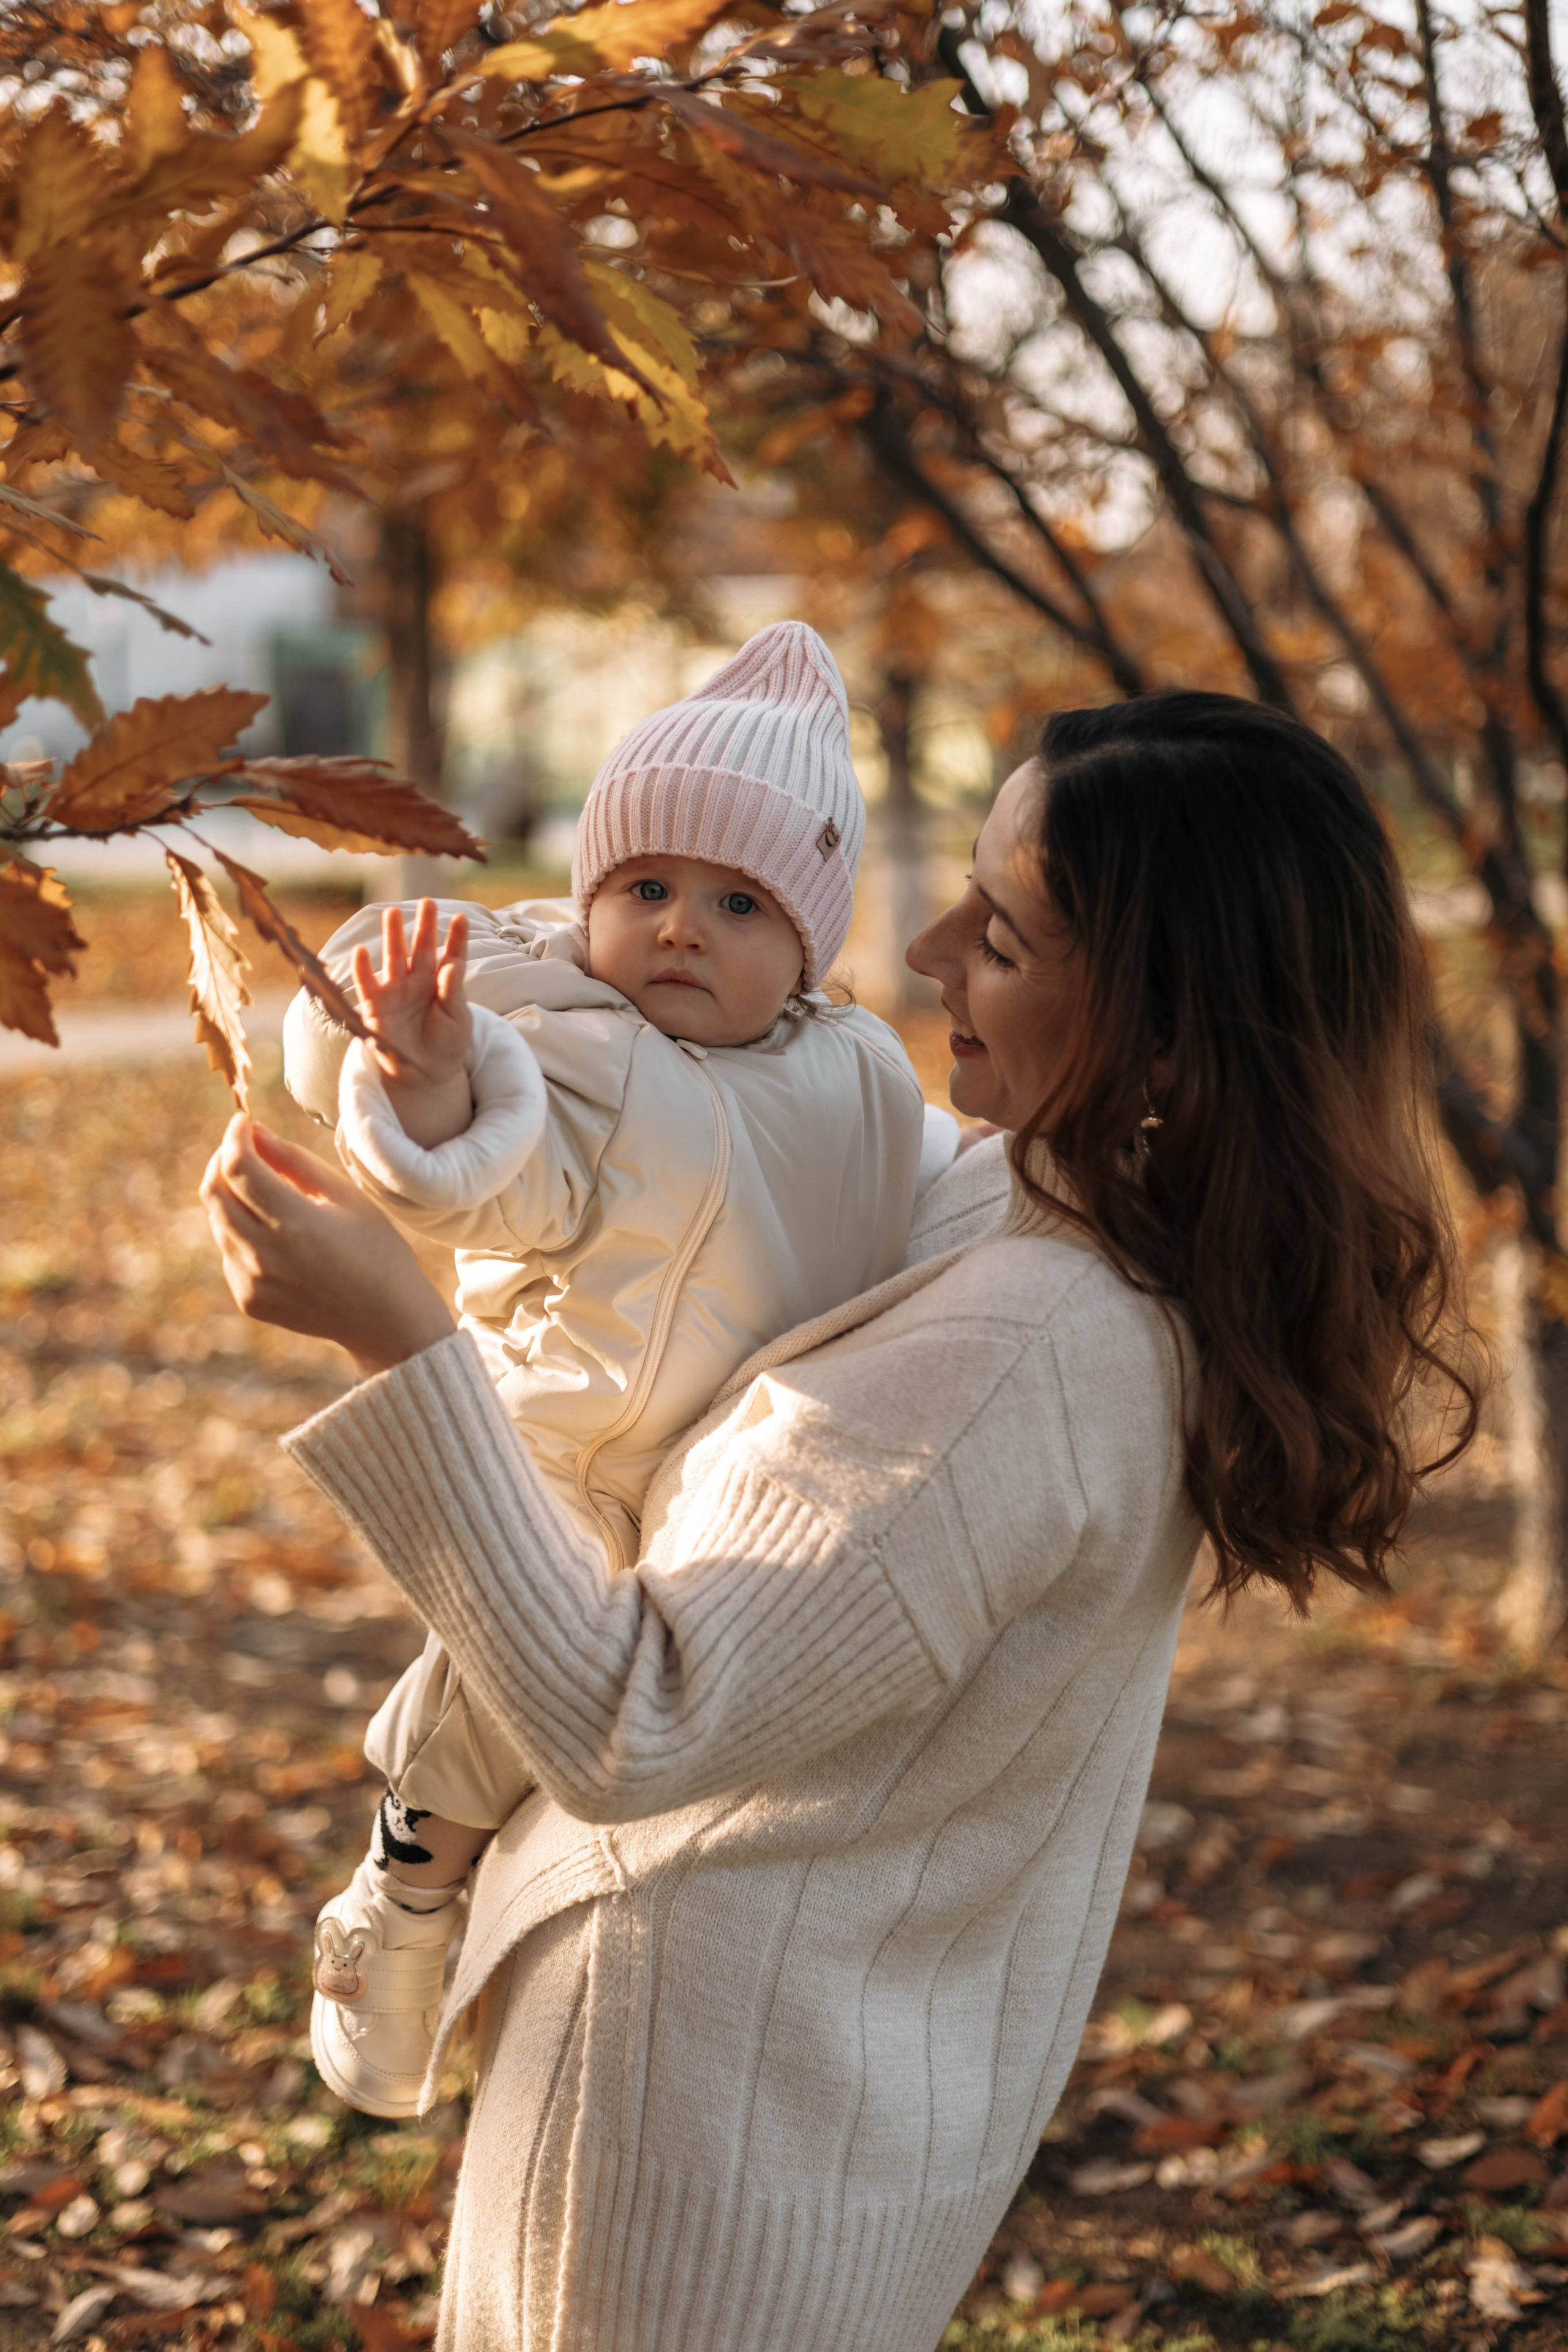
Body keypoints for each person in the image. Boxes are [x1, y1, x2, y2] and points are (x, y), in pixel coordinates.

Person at [203, 689, 1474, 2352]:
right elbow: (698, 1151)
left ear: (1166, 1036)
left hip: (694, 2143)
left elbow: (632, 1717)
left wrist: (396, 1335)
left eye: (999, 936)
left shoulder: (1023, 1347)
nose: (924, 948)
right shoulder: (1062, 1207)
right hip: (806, 2097)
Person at [281, 622, 941, 2119]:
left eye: (736, 902)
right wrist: (428, 1082)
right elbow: (486, 1177)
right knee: (516, 1682)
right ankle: (405, 1886)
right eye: (644, 889)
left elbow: (917, 1191)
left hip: (746, 1465)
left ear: (810, 942)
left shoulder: (856, 1069)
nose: (682, 929)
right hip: (569, 1449)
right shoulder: (588, 1058)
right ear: (591, 905)